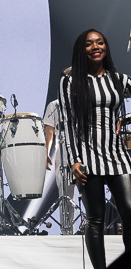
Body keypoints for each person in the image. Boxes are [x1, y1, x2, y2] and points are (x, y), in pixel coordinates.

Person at [59, 28, 131, 269]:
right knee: (96, 219)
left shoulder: (119, 80)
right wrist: (74, 160)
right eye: (89, 44)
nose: (96, 46)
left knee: (130, 213)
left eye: (100, 42)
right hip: (87, 156)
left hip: (117, 154)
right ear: (82, 50)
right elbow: (67, 122)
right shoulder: (69, 81)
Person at [43, 98, 76, 234]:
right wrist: (46, 153)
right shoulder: (54, 105)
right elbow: (49, 131)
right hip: (63, 152)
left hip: (86, 150)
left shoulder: (86, 100)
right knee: (66, 195)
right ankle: (67, 231)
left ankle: (93, 228)